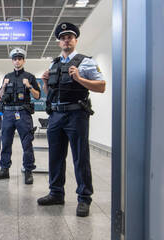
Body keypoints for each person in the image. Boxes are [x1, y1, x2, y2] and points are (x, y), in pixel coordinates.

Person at [37, 22, 106, 217]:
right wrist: (44, 82)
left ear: (75, 40)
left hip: (76, 115)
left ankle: (84, 198)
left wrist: (80, 79)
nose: (66, 40)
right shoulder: (54, 64)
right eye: (63, 37)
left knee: (80, 157)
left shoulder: (86, 62)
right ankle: (56, 193)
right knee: (55, 157)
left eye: (70, 37)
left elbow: (101, 86)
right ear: (59, 42)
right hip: (56, 115)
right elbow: (50, 94)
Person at [0, 48, 41, 185]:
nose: (17, 61)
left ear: (24, 60)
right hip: (8, 113)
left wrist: (29, 86)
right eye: (15, 59)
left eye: (19, 58)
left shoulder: (29, 77)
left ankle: (28, 171)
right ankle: (4, 169)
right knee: (5, 142)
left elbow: (37, 96)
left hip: (23, 113)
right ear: (12, 61)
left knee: (26, 143)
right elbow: (0, 96)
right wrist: (4, 86)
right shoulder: (7, 76)